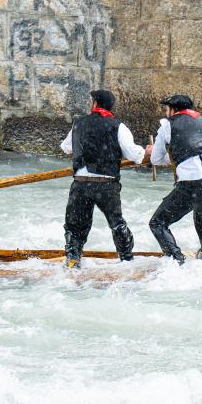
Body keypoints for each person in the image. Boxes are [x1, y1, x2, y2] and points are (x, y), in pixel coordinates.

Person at [144, 94, 202, 264]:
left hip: (192, 183)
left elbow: (155, 159)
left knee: (158, 222)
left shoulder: (166, 125)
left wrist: (170, 153)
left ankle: (177, 260)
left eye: (166, 109)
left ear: (172, 109)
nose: (166, 113)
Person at [59, 89, 147, 269]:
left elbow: (66, 147)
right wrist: (146, 151)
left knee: (74, 226)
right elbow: (134, 154)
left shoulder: (79, 124)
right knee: (116, 224)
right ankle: (127, 260)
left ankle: (73, 261)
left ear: (95, 103)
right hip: (106, 183)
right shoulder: (117, 126)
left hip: (81, 182)